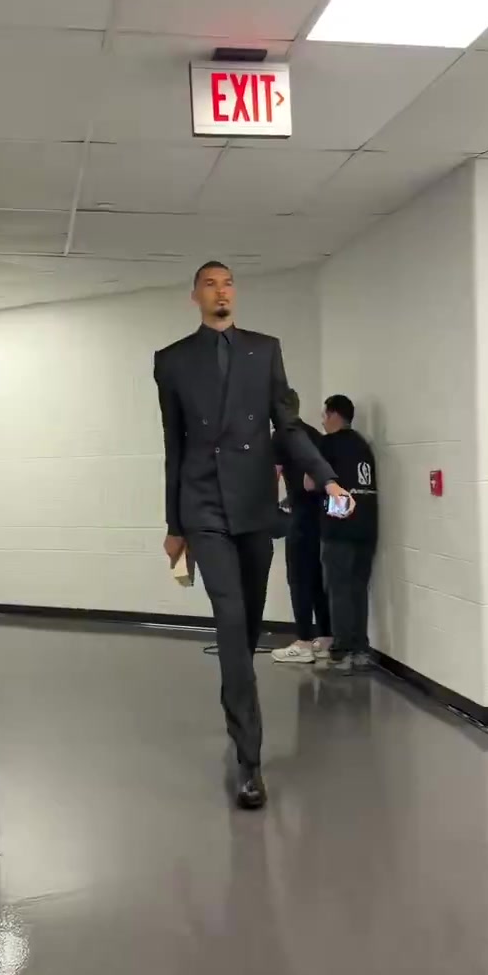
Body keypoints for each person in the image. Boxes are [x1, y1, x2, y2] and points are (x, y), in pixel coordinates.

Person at [154, 262, 352, 809]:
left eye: (228, 283)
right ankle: (250, 761)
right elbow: (174, 446)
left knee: (247, 627)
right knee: (229, 617)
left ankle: (234, 696)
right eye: (210, 284)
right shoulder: (171, 360)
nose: (221, 291)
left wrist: (328, 477)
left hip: (254, 505)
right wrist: (174, 525)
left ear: (234, 294)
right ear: (195, 296)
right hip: (202, 505)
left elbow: (287, 428)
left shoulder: (265, 351)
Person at [317, 394, 378, 675]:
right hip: (366, 527)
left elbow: (310, 482)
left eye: (324, 415)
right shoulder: (364, 445)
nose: (322, 421)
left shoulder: (328, 444)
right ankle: (361, 650)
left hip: (339, 526)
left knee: (338, 589)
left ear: (333, 415)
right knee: (357, 589)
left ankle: (341, 651)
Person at [271, 390, 332, 665]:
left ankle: (304, 641)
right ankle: (326, 638)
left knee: (297, 579)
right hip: (320, 515)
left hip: (300, 518)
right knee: (317, 578)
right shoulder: (315, 435)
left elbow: (272, 476)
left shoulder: (280, 436)